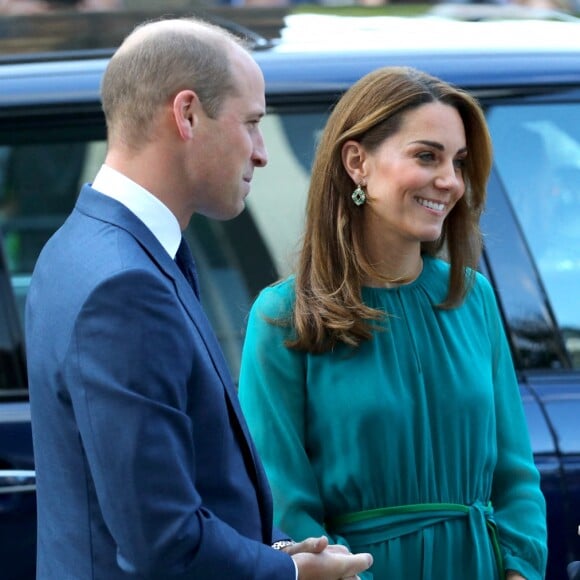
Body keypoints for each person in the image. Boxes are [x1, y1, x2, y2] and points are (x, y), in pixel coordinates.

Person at [25, 17, 373, 579]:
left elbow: (182, 491)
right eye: (253, 124)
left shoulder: (82, 245)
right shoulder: (124, 284)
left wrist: (278, 552)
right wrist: (294, 575)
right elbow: (162, 542)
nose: (260, 152)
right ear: (186, 114)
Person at [238, 66, 548, 579]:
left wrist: (518, 572)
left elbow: (516, 478)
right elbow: (283, 504)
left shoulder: (474, 299)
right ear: (357, 162)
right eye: (427, 156)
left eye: (459, 162)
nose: (449, 181)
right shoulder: (282, 316)